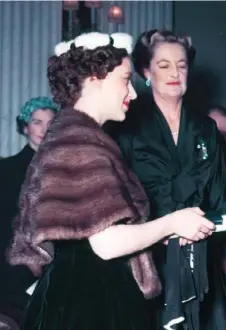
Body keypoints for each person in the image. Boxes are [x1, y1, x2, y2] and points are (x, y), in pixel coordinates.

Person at [6, 31, 215, 330]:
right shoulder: (81, 141)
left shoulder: (73, 135)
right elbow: (104, 243)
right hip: (91, 302)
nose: (131, 92)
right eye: (125, 80)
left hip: (79, 295)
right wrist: (173, 223)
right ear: (95, 78)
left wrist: (164, 232)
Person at [115, 29, 226, 330]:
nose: (174, 73)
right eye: (163, 65)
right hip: (147, 265)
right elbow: (118, 202)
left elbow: (221, 199)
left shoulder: (206, 128)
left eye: (181, 65)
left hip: (201, 261)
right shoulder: (126, 127)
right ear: (146, 71)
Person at [0, 97, 58, 323]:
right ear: (25, 127)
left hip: (57, 267)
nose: (44, 130)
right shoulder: (6, 170)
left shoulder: (66, 169)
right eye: (37, 122)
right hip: (15, 272)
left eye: (50, 123)